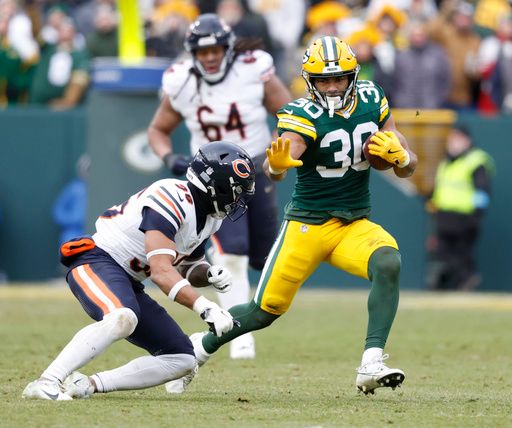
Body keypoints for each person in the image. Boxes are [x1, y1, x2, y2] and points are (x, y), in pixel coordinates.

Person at [167, 36, 418, 395]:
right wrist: (277, 166)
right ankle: (197, 349)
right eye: (323, 81)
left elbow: (407, 167)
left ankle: (371, 362)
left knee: (389, 262)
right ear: (310, 81)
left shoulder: (373, 99)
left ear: (353, 76)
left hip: (353, 224)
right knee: (262, 312)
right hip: (307, 225)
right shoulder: (301, 114)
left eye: (339, 79)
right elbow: (276, 166)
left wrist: (403, 158)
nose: (332, 87)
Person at [22, 141, 255, 401]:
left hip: (130, 280)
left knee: (183, 359)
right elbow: (161, 272)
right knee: (123, 316)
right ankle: (46, 382)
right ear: (214, 186)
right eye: (235, 191)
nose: (238, 200)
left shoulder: (210, 219)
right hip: (97, 260)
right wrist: (207, 308)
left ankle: (88, 385)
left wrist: (208, 274)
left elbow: (188, 267)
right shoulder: (171, 196)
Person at [147, 13, 292, 362]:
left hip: (255, 167)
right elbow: (157, 130)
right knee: (232, 251)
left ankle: (242, 317)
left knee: (263, 255)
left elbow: (289, 115)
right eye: (202, 51)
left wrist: (277, 150)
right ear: (192, 53)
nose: (210, 57)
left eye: (215, 49)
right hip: (212, 177)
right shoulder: (181, 80)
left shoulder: (253, 68)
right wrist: (170, 158)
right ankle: (238, 335)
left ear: (227, 48)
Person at [426, 124, 494, 291]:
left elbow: (483, 191)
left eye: (458, 138)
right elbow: (439, 190)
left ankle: (466, 281)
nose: (453, 142)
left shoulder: (476, 161)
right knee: (442, 255)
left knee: (461, 255)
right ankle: (444, 287)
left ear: (467, 140)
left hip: (464, 218)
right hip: (443, 217)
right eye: (451, 138)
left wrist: (476, 217)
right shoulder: (446, 162)